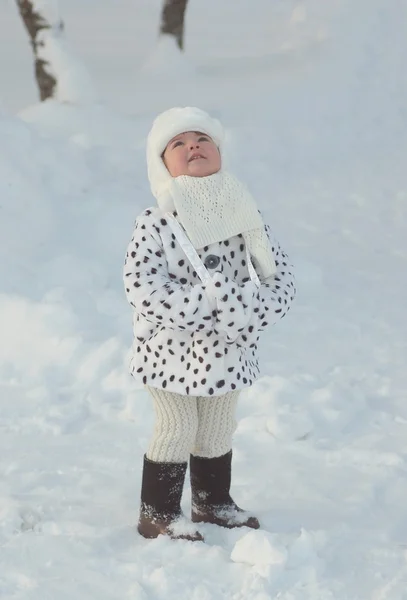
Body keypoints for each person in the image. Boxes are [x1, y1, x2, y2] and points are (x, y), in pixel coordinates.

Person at [123, 107, 296, 542]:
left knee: (218, 428)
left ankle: (212, 502)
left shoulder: (244, 214)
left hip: (228, 352)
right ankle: (157, 512)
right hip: (170, 354)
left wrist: (247, 309)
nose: (192, 146)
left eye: (201, 139)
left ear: (219, 151)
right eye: (177, 144)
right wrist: (210, 304)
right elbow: (142, 287)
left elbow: (281, 280)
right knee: (177, 427)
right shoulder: (156, 221)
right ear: (162, 166)